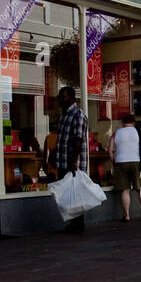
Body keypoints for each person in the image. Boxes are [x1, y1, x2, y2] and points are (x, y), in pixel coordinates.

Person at [50, 85, 90, 233]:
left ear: (72, 97)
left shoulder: (78, 114)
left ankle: (78, 224)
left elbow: (78, 139)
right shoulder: (64, 115)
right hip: (62, 160)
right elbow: (62, 138)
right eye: (60, 96)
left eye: (64, 96)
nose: (61, 99)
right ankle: (72, 223)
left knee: (75, 194)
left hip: (72, 162)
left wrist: (74, 160)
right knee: (68, 194)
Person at [110, 113, 141, 222]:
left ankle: (127, 216)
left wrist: (114, 161)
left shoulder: (116, 133)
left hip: (120, 162)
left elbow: (110, 151)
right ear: (133, 122)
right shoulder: (139, 131)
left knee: (125, 190)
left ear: (123, 123)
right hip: (136, 162)